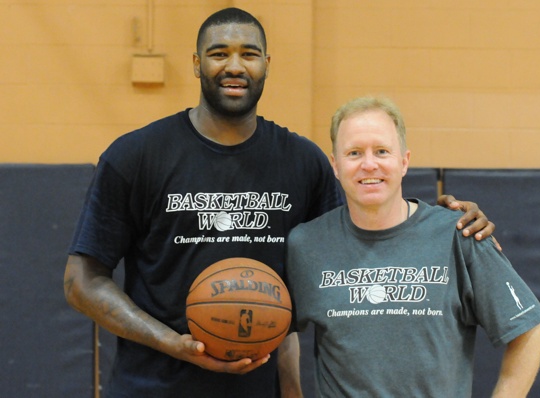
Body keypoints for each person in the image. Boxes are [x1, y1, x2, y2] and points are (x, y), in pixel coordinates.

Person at [63, 8, 496, 398]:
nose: (234, 66)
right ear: (196, 64)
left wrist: (442, 223)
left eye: (249, 54)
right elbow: (81, 280)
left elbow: (357, 246)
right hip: (150, 388)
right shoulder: (136, 156)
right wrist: (170, 342)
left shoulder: (301, 161)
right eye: (218, 54)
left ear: (266, 65)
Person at [285, 96, 540, 397]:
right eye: (354, 152)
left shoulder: (460, 233)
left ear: (404, 162)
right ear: (335, 165)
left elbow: (532, 328)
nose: (369, 164)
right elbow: (277, 330)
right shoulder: (306, 244)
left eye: (382, 151)